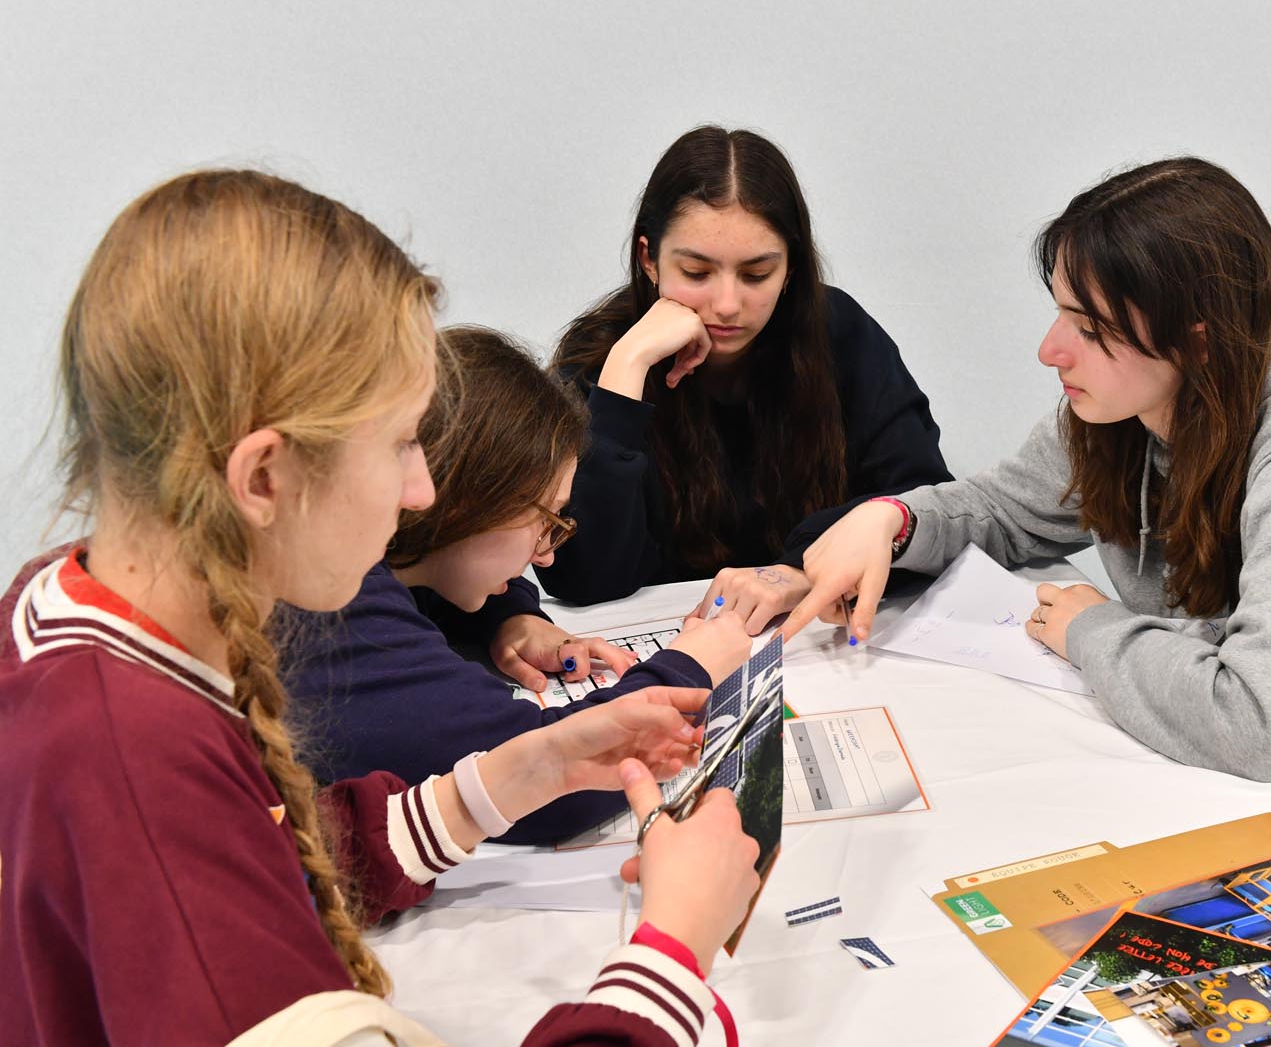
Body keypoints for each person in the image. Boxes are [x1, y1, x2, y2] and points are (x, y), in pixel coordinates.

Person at [0, 169, 759, 1046]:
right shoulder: (133, 761)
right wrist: (671, 952)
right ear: (264, 478)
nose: (421, 491)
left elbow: (263, 853)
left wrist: (510, 778)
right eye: (400, 444)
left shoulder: (71, 607)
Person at [784, 157, 1271, 911]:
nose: (1051, 350)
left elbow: (1268, 728)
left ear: (1196, 337)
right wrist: (894, 521)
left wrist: (1091, 629)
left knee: (1043, 930)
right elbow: (1007, 508)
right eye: (1062, 314)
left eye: (1089, 329)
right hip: (1226, 787)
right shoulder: (1135, 405)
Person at [280, 324, 750, 845]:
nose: (545, 554)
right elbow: (540, 782)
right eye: (546, 520)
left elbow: (437, 579)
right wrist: (690, 667)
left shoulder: (364, 553)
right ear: (467, 501)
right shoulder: (333, 608)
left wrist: (509, 617)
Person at [544, 125, 952, 632]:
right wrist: (625, 372)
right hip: (669, 645)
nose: (727, 305)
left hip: (815, 636)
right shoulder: (602, 359)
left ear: (791, 268)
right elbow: (582, 577)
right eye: (696, 273)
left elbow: (925, 506)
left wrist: (800, 570)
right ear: (649, 259)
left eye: (757, 274)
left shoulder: (839, 333)